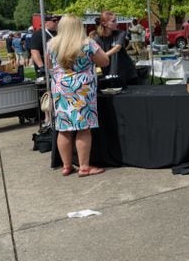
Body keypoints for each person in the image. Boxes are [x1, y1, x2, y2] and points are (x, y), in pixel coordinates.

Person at [47, 15, 110, 177]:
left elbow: (49, 65)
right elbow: (104, 61)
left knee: (64, 128)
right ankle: (84, 167)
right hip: (82, 89)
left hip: (61, 88)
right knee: (83, 128)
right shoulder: (87, 43)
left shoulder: (52, 44)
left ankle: (67, 166)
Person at [93, 11, 136, 86]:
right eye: (113, 21)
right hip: (108, 73)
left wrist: (103, 56)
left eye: (116, 20)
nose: (117, 23)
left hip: (125, 72)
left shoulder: (120, 33)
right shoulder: (97, 38)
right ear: (104, 23)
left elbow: (117, 48)